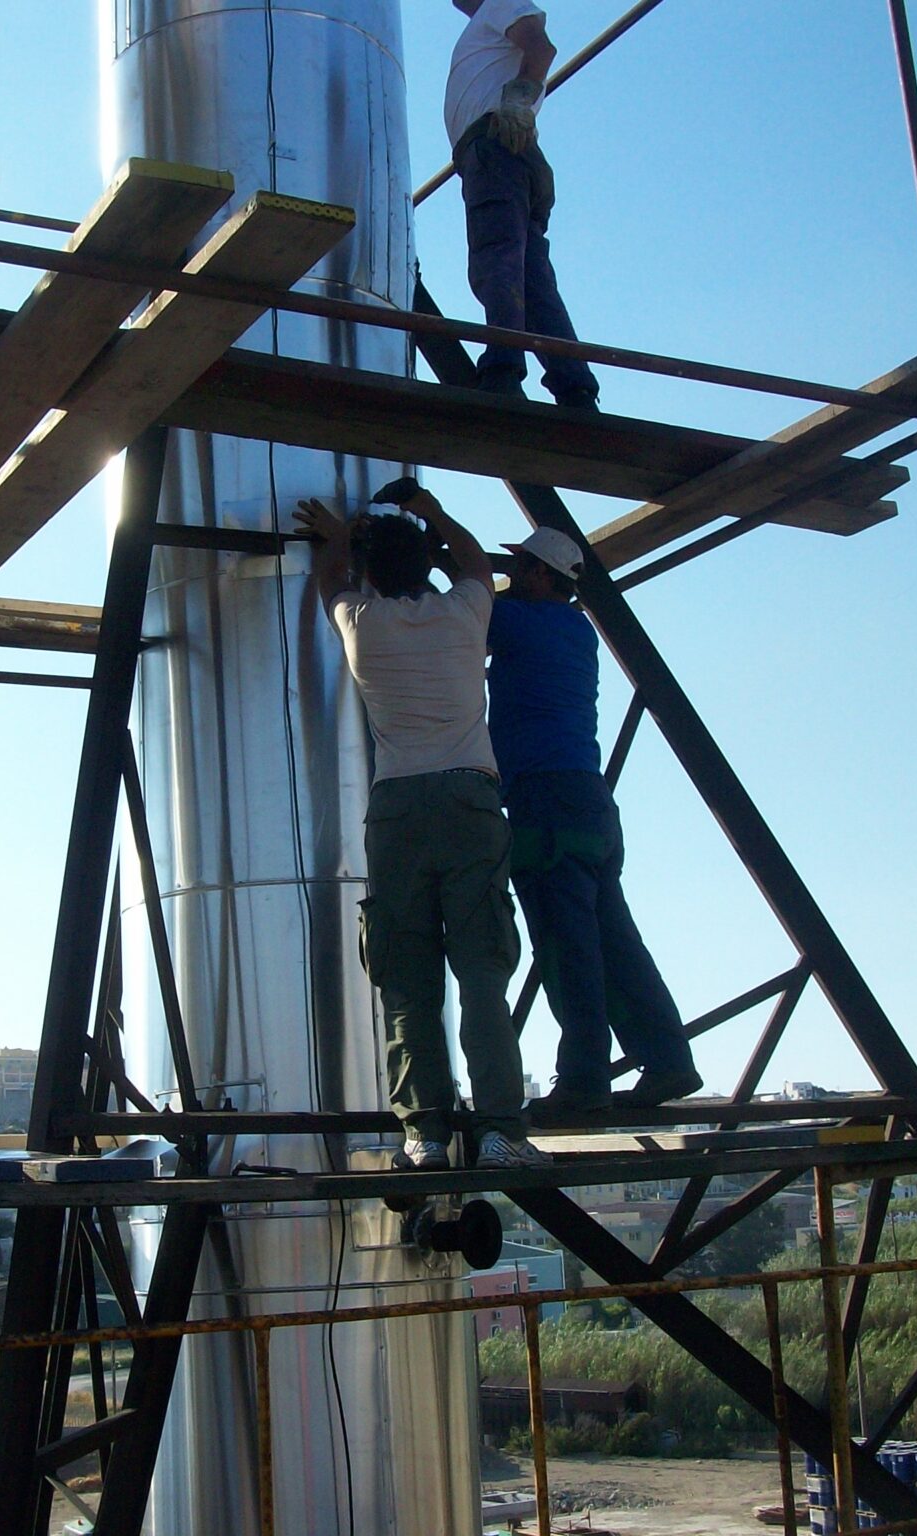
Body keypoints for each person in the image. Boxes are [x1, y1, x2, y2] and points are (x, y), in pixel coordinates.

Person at [296, 481, 548, 1171]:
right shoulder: (467, 613)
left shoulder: (361, 624)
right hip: (471, 802)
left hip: (397, 807)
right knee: (481, 976)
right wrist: (432, 514)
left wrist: (338, 538)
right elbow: (473, 563)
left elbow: (330, 580)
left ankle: (425, 1135)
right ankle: (499, 1130)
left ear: (370, 573)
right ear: (424, 561)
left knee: (408, 980)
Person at [486, 524, 704, 1117]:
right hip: (588, 802)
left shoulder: (517, 622)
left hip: (545, 804)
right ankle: (667, 1060)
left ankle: (583, 1081)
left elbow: (465, 604)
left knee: (566, 946)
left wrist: (439, 547)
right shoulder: (576, 628)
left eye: (518, 567)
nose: (509, 575)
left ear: (538, 575)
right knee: (615, 942)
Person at [446, 0, 601, 409]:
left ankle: (502, 368)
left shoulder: (499, 4)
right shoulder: (488, 20)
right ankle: (575, 387)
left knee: (496, 260)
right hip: (506, 151)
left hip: (497, 145)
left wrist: (517, 103)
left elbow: (541, 48)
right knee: (531, 281)